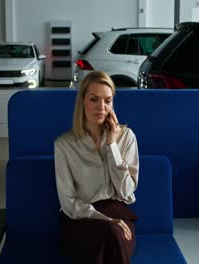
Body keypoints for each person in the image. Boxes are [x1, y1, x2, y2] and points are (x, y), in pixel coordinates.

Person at [54, 71, 139, 264]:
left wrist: (112, 146)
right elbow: (68, 202)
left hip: (119, 214)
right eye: (94, 99)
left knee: (112, 237)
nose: (102, 107)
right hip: (80, 219)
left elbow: (126, 192)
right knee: (109, 234)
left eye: (107, 101)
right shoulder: (64, 144)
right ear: (82, 101)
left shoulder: (127, 138)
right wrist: (105, 220)